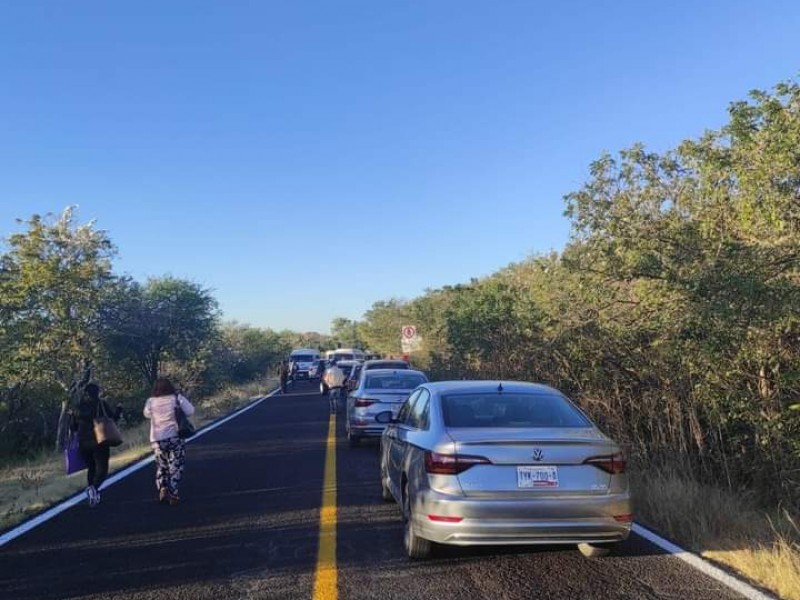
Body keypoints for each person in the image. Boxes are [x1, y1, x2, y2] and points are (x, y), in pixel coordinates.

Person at [143, 377, 195, 505]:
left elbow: (146, 414)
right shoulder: (176, 398)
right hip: (175, 436)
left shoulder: (151, 401)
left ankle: (163, 487)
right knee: (176, 464)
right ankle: (173, 490)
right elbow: (190, 411)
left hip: (157, 438)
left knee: (161, 465)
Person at [70, 383, 122, 507]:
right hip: (99, 441)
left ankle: (92, 493)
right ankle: (93, 488)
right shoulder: (101, 404)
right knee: (102, 469)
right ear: (97, 392)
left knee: (92, 467)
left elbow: (73, 427)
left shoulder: (78, 407)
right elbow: (113, 418)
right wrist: (119, 409)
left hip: (83, 442)